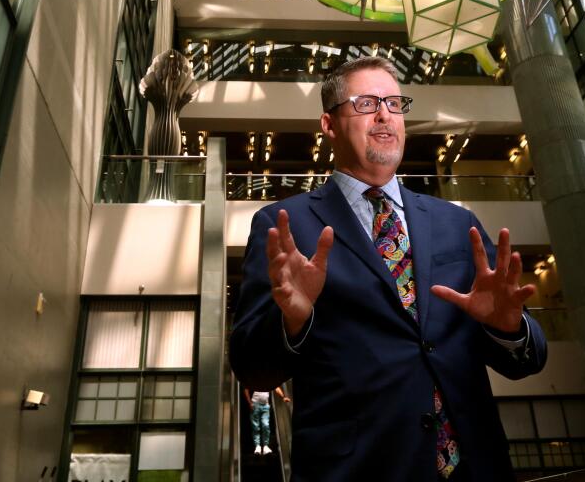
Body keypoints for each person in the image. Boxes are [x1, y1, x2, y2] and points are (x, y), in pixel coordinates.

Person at [229, 56, 546, 481]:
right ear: (328, 124)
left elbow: (526, 362)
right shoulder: (284, 227)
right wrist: (293, 321)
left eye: (395, 104)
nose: (384, 114)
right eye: (366, 103)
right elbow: (252, 368)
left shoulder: (457, 224)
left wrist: (507, 329)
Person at [244, 385, 290, 455]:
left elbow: (276, 387)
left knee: (266, 425)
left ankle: (266, 446)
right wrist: (249, 402)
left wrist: (283, 397)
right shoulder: (253, 378)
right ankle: (257, 446)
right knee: (256, 427)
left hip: (265, 405)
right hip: (255, 404)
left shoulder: (267, 379)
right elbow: (246, 389)